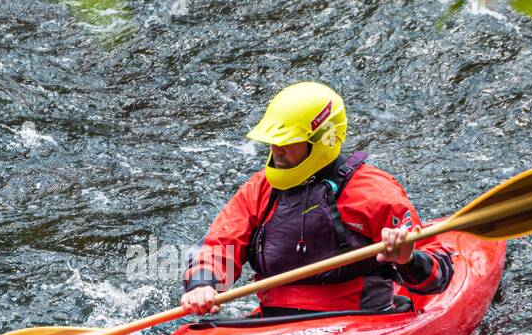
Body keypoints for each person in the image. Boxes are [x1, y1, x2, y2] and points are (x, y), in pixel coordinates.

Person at [180, 81, 453, 318]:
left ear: (324, 139)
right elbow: (219, 247)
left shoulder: (374, 194)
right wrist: (203, 284)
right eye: (273, 140)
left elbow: (437, 277)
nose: (276, 149)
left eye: (288, 141)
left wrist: (407, 259)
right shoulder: (260, 189)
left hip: (359, 319)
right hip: (276, 320)